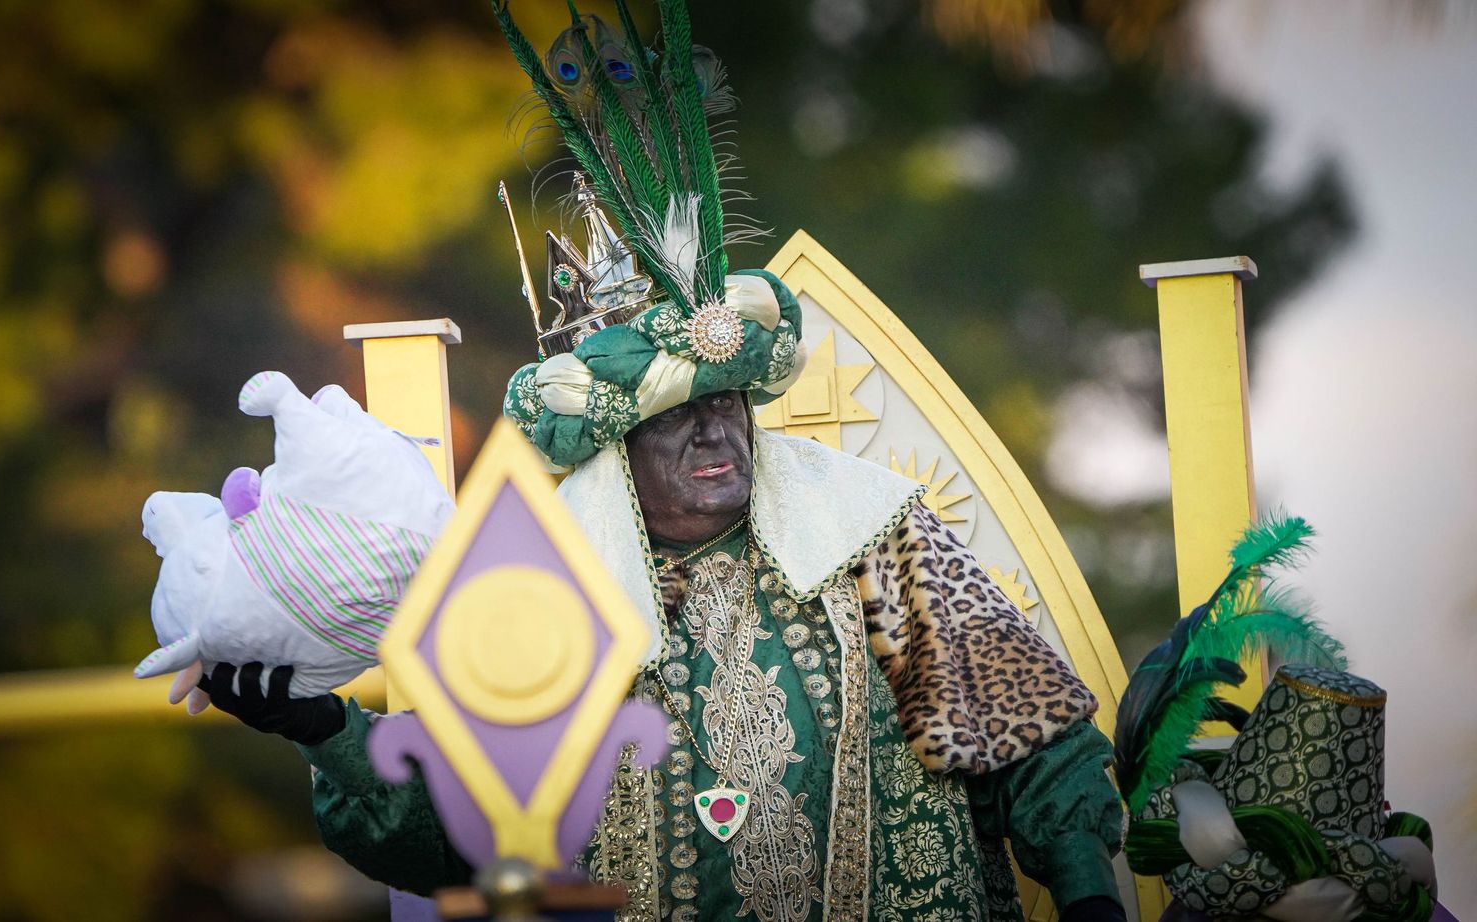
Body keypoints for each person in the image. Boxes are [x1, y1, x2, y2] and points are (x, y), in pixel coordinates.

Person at [200, 2, 1129, 918]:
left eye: (726, 402)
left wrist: (1090, 898)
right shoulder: (545, 581)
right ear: (615, 442)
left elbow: (1031, 743)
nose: (715, 432)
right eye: (676, 416)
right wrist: (326, 732)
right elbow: (466, 820)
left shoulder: (871, 532)